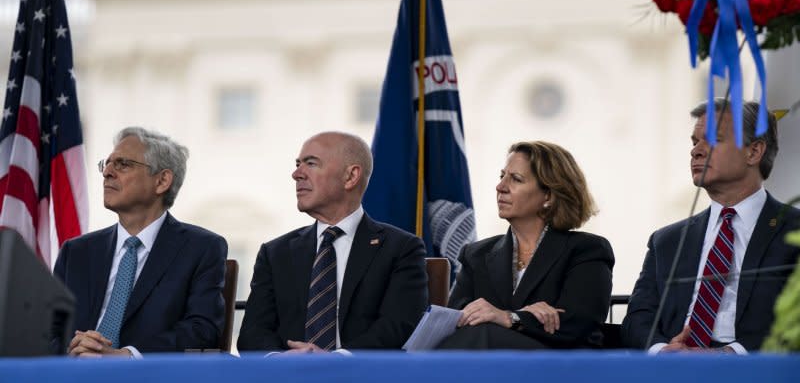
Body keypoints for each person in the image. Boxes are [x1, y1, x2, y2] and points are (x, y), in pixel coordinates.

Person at [622, 100, 800, 353]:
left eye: (713, 140)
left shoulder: (794, 231)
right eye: (694, 142)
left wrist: (731, 354)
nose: (696, 151)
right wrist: (662, 350)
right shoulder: (666, 240)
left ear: (753, 152)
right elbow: (638, 319)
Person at [237, 131, 428, 352]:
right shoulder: (275, 253)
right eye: (298, 164)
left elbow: (398, 327)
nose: (296, 174)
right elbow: (253, 333)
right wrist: (278, 360)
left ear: (351, 176)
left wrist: (336, 361)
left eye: (311, 163)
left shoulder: (401, 248)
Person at [53, 127, 227, 357]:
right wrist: (72, 351)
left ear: (162, 180)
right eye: (106, 163)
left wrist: (126, 356)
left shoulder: (202, 248)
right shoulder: (76, 251)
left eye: (123, 164)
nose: (107, 172)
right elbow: (45, 331)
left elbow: (201, 331)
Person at [438, 141, 614, 349]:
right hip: (487, 367)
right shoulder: (476, 254)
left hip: (556, 367)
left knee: (482, 334)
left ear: (548, 195)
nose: (500, 187)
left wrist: (511, 318)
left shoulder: (586, 249)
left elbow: (577, 323)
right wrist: (525, 317)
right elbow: (458, 317)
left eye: (516, 179)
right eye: (502, 176)